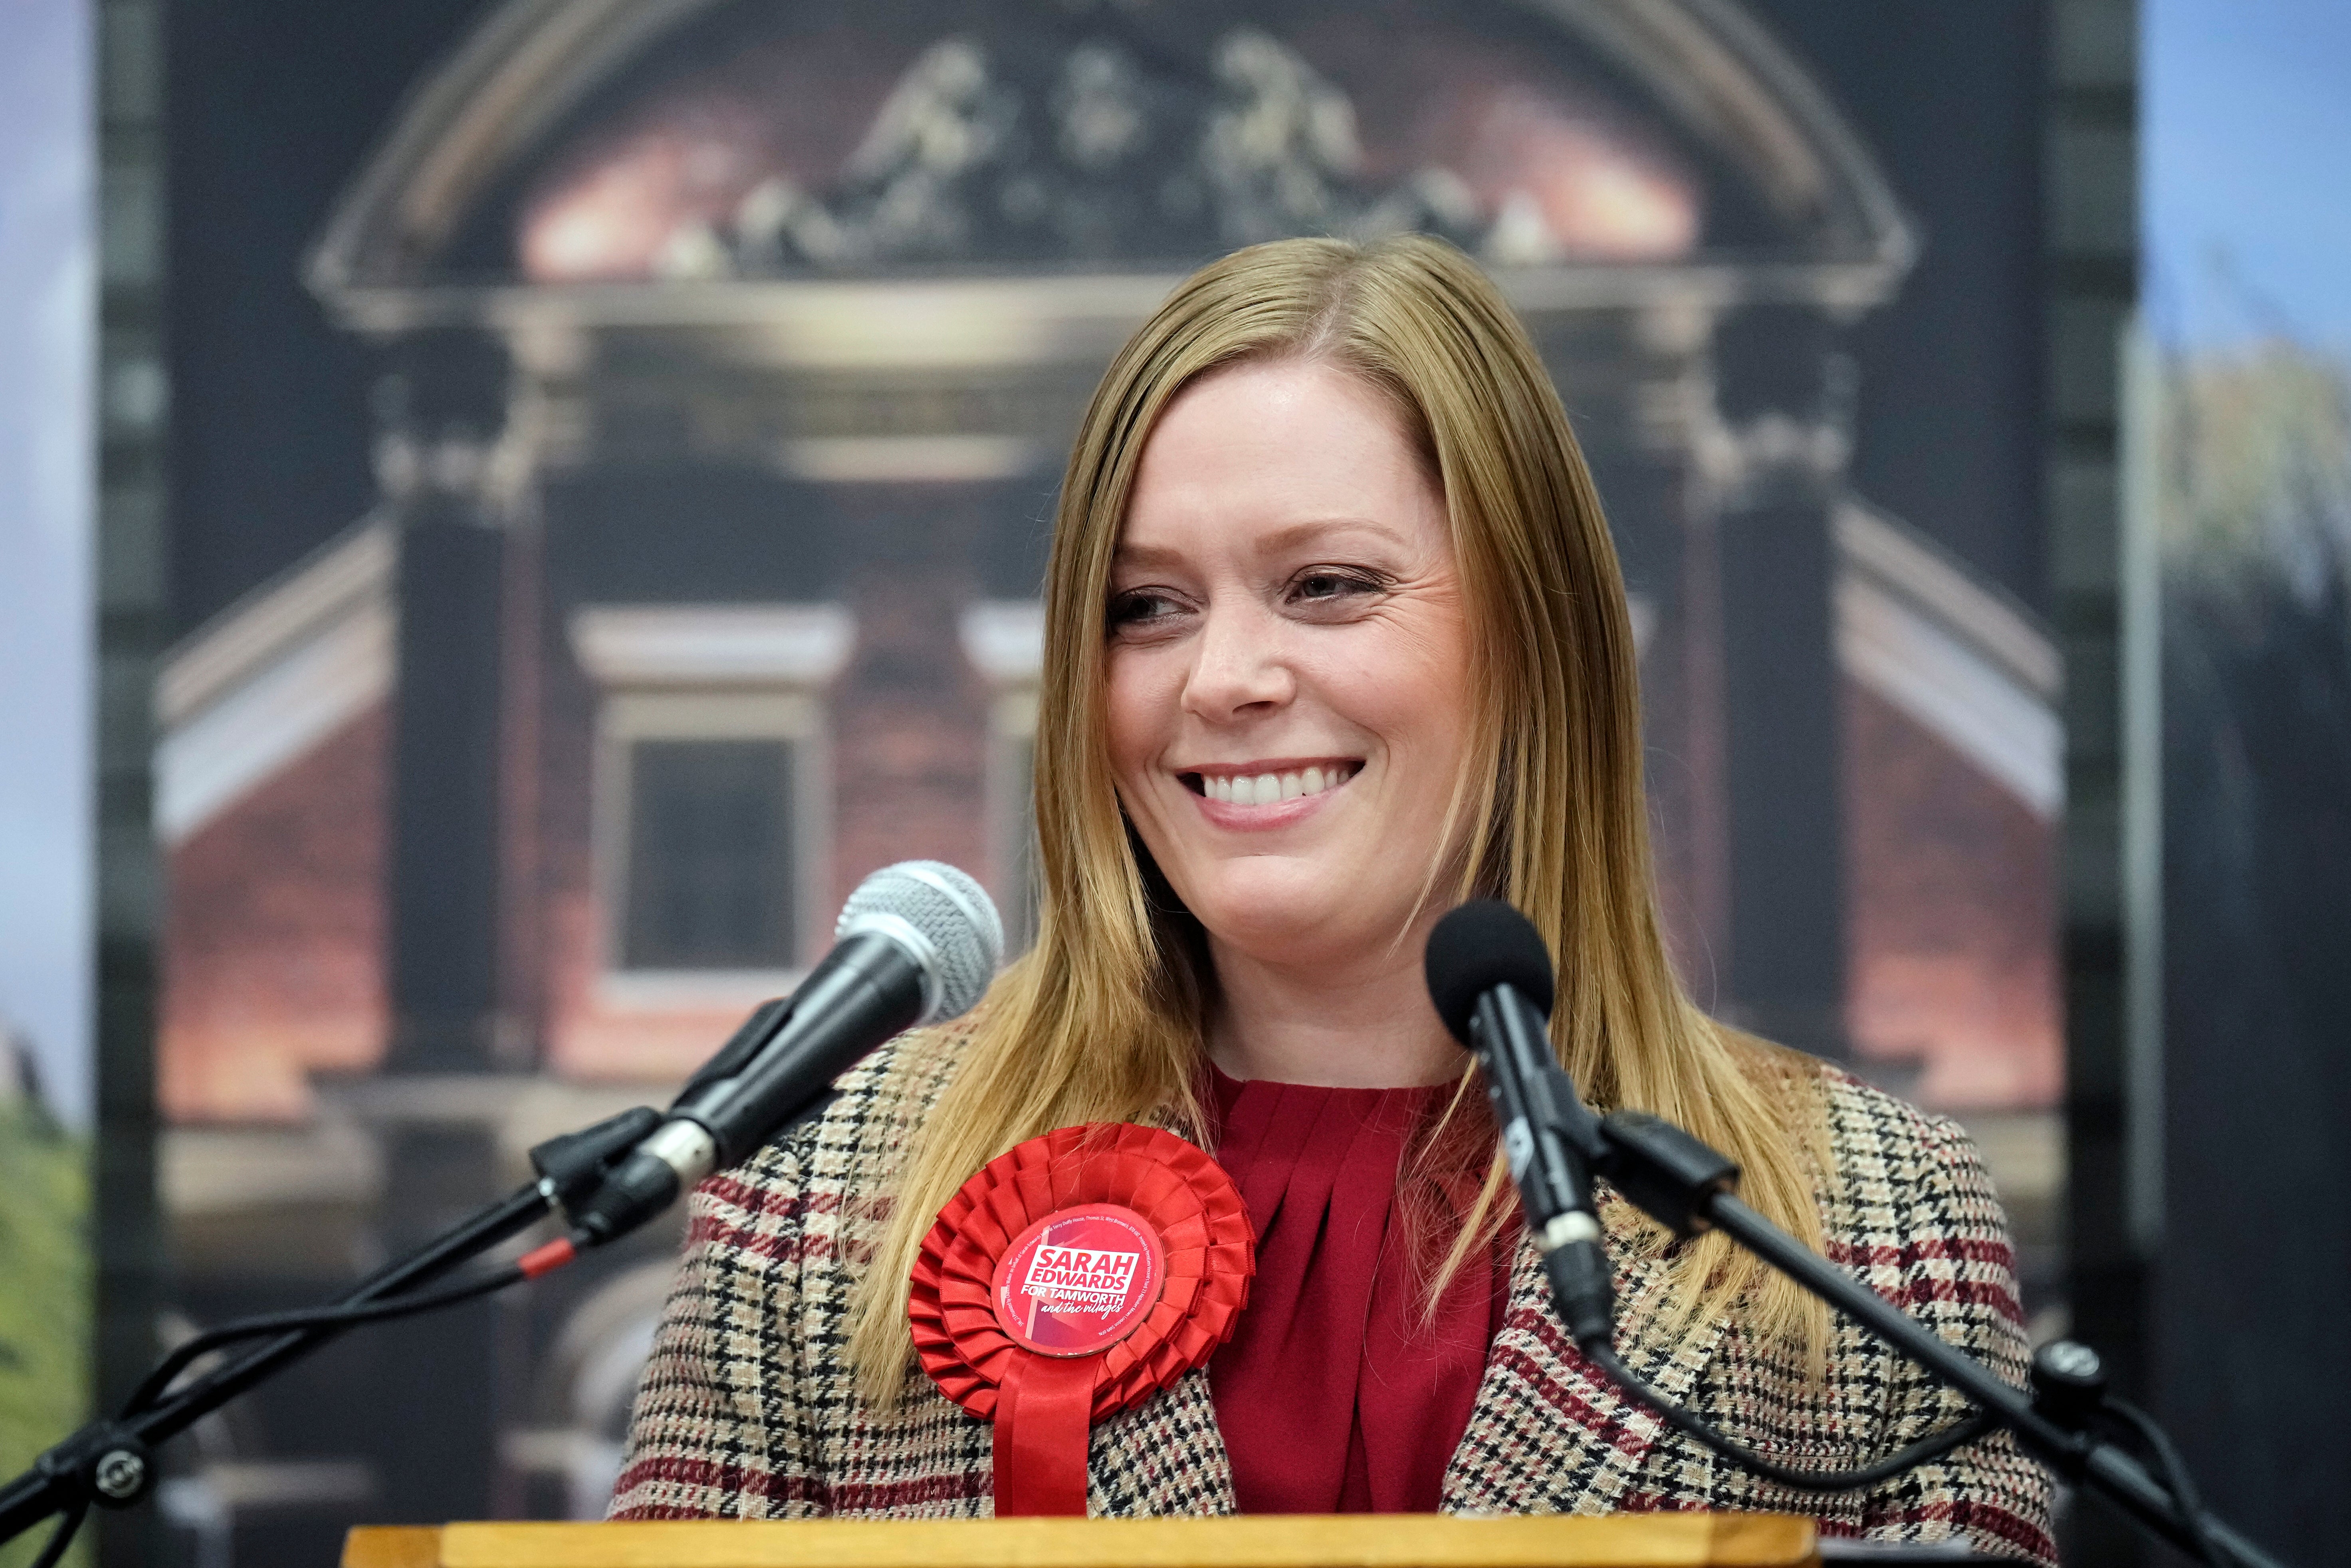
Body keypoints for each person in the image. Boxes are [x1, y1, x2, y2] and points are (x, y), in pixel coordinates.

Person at [610, 234, 2056, 1562]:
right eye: (1146, 607)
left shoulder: (1870, 1217)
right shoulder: (819, 1199)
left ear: (1532, 637)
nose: (1223, 678)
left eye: (1326, 586)